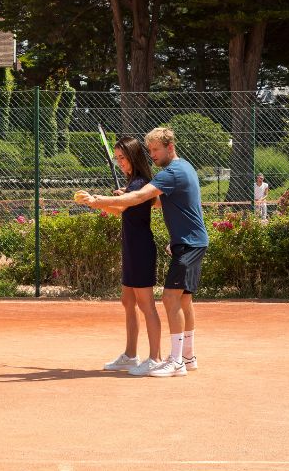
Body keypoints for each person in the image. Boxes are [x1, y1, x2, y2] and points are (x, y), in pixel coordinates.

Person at [83, 127, 209, 377]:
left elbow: (140, 197)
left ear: (170, 147)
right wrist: (122, 198)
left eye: (155, 150)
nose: (151, 154)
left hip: (187, 243)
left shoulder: (170, 172)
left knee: (170, 299)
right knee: (183, 299)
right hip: (188, 242)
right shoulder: (185, 168)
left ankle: (175, 361)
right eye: (149, 150)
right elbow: (156, 200)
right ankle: (188, 356)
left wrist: (101, 200)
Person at [75, 137, 162, 376]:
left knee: (146, 305)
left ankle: (155, 358)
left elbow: (124, 205)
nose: (120, 162)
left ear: (133, 156)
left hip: (141, 248)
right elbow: (120, 210)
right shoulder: (133, 184)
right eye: (117, 158)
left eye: (122, 157)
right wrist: (94, 204)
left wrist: (98, 200)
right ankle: (131, 356)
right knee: (128, 301)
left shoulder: (141, 184)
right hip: (131, 248)